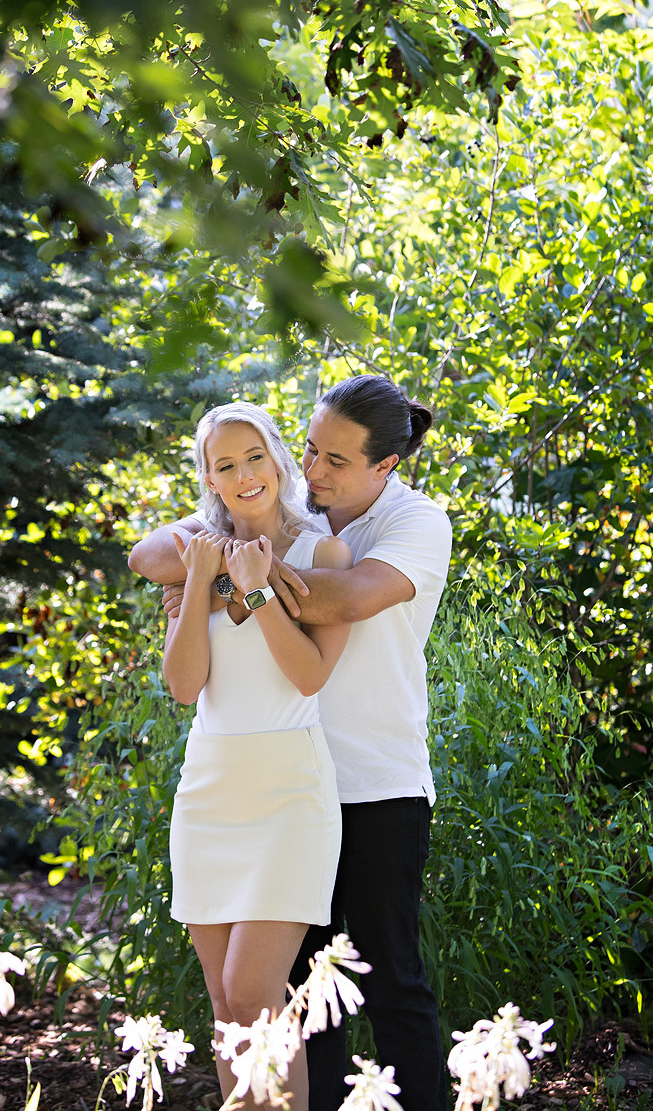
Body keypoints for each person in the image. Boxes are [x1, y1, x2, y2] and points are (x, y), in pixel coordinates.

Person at [128, 375, 452, 1111]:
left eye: (334, 461)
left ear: (384, 466)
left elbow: (347, 598)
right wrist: (220, 565)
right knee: (303, 997)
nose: (312, 472)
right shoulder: (276, 499)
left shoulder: (414, 523)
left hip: (372, 781)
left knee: (387, 981)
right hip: (263, 776)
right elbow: (150, 555)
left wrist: (228, 578)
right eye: (308, 450)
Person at [157, 400, 354, 1111]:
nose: (242, 476)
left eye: (252, 458)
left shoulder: (321, 554)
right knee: (226, 1008)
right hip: (207, 790)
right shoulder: (195, 556)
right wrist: (198, 578)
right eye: (223, 466)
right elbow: (183, 688)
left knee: (253, 992)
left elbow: (308, 676)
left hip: (288, 794)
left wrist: (255, 590)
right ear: (209, 480)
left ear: (276, 458)